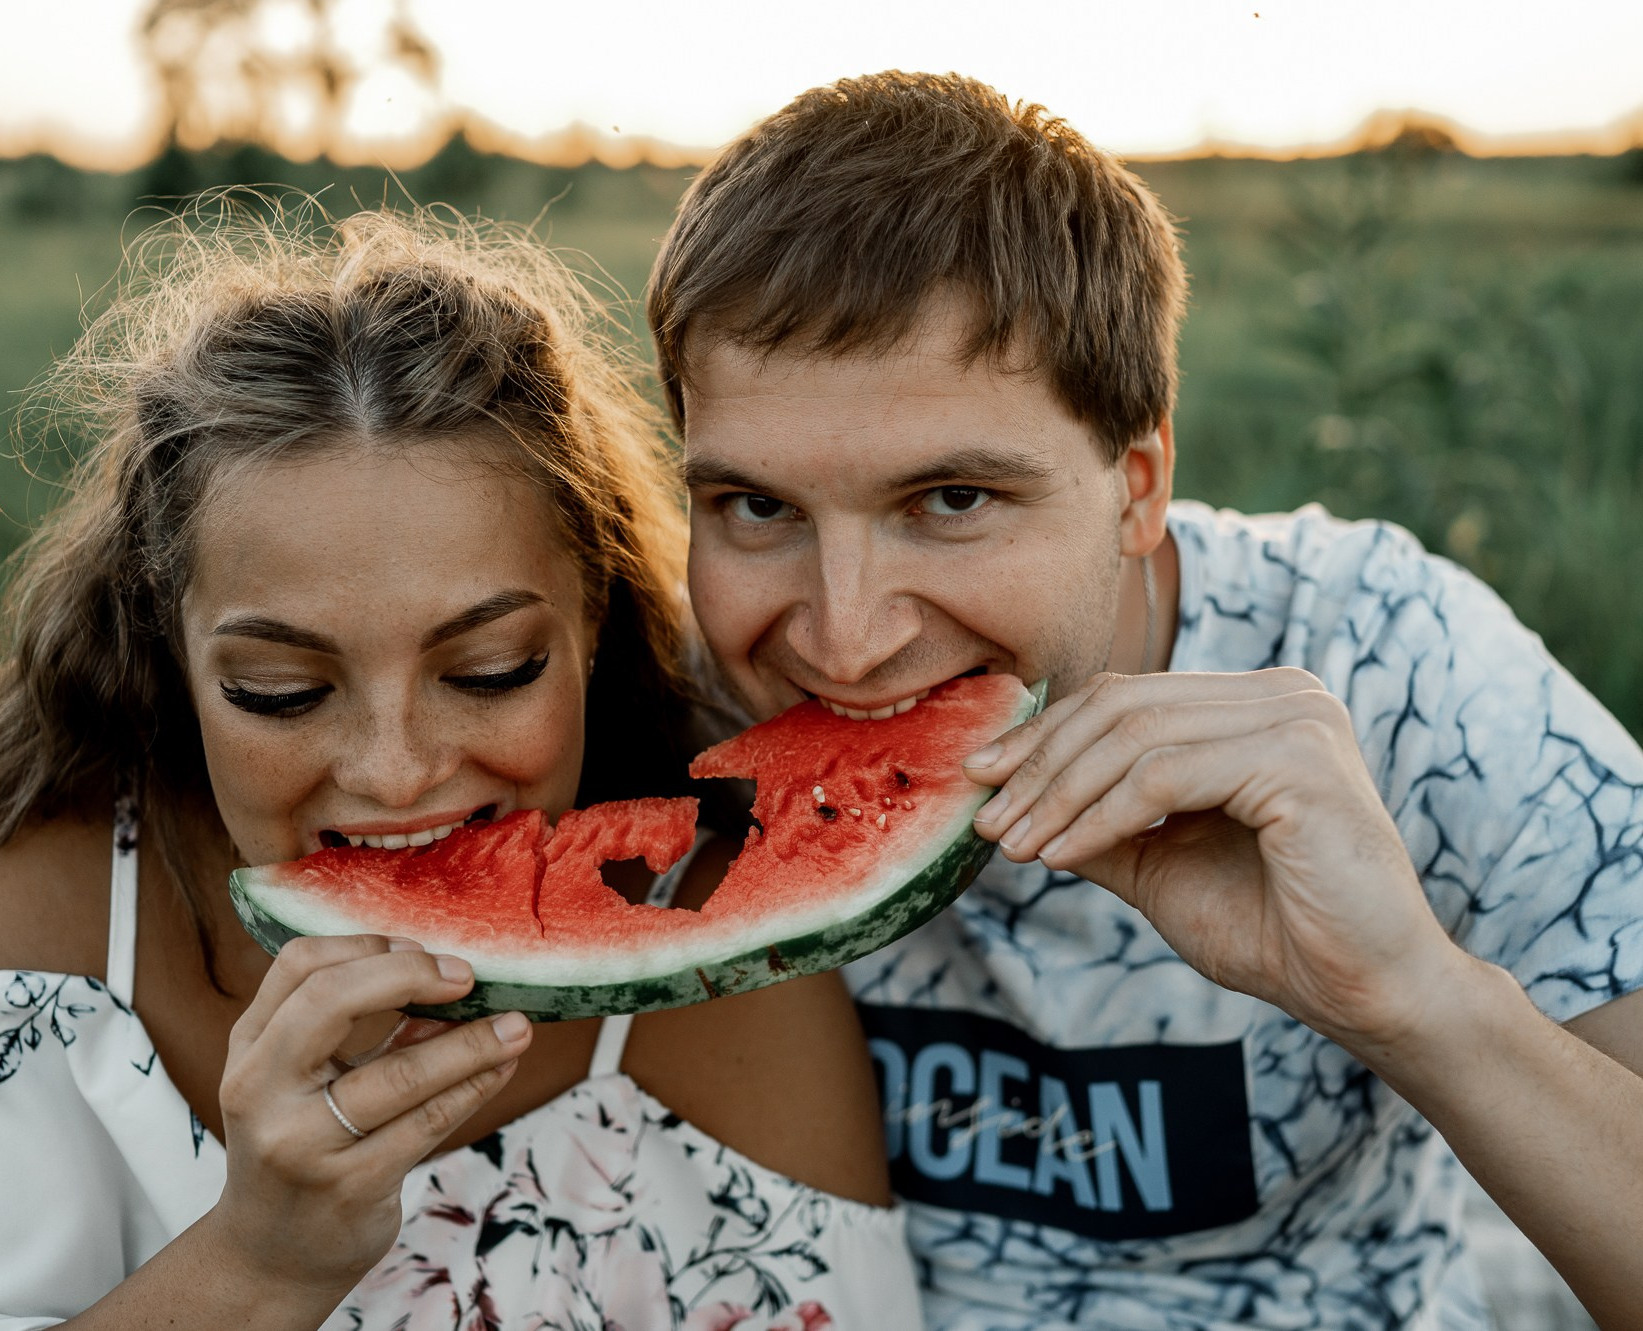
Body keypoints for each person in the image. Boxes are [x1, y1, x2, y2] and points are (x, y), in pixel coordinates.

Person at [0, 207, 923, 1329]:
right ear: (166, 644)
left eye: (493, 669)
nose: (395, 770)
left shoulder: (722, 954)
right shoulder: (19, 904)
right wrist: (256, 1264)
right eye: (281, 691)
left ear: (598, 623)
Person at [644, 71, 1643, 1329]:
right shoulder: (673, 708)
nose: (843, 638)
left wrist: (1409, 997)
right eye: (756, 506)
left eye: (950, 500)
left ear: (1136, 480)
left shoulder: (1383, 657)